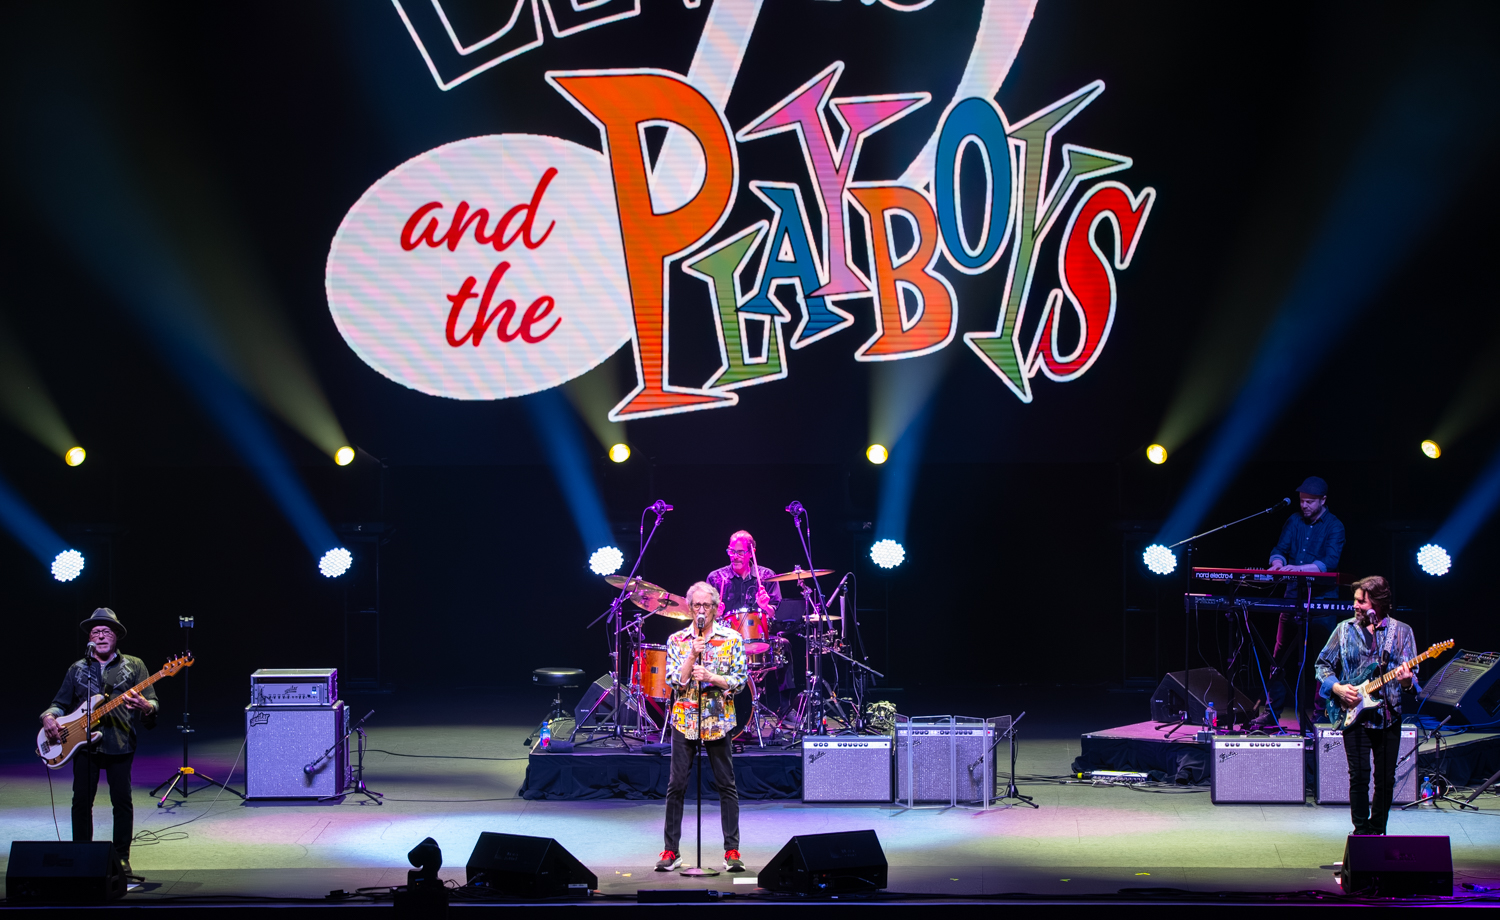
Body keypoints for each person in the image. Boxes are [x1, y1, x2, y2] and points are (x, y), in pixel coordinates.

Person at [40, 608, 158, 879]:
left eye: (107, 631)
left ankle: (122, 857)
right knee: (81, 802)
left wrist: (146, 706)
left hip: (120, 743)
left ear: (116, 636)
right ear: (90, 639)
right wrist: (48, 716)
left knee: (122, 802)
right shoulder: (78, 668)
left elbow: (152, 701)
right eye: (96, 632)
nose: (101, 636)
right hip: (83, 745)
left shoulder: (135, 665)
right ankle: (81, 855)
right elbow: (59, 703)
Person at [656, 581, 748, 873]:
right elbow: (675, 681)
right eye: (696, 605)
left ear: (716, 609)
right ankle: (671, 851)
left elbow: (740, 681)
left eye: (706, 605)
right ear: (689, 608)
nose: (701, 610)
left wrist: (712, 677)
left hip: (717, 717)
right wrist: (692, 656)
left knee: (726, 784)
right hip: (685, 718)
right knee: (676, 785)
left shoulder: (732, 638)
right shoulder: (677, 640)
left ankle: (731, 850)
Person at [1317, 576, 1417, 836]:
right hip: (1353, 714)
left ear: (1378, 604)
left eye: (1361, 601)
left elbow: (1411, 682)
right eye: (1355, 600)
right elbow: (1322, 665)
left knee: (1385, 779)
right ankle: (1361, 832)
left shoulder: (1401, 632)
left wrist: (1406, 682)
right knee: (1359, 776)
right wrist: (1337, 688)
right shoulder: (1343, 630)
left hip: (1388, 716)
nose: (1355, 605)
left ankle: (1378, 830)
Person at [1255, 476, 1346, 729]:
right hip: (1292, 597)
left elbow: (1329, 562)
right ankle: (1272, 712)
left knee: (1324, 661)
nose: (1304, 505)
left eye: (1310, 502)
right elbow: (1280, 549)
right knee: (1278, 657)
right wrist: (1277, 563)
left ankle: (1322, 713)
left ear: (1323, 500)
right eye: (1302, 500)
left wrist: (1297, 569)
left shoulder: (1335, 526)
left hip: (1321, 601)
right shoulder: (1294, 521)